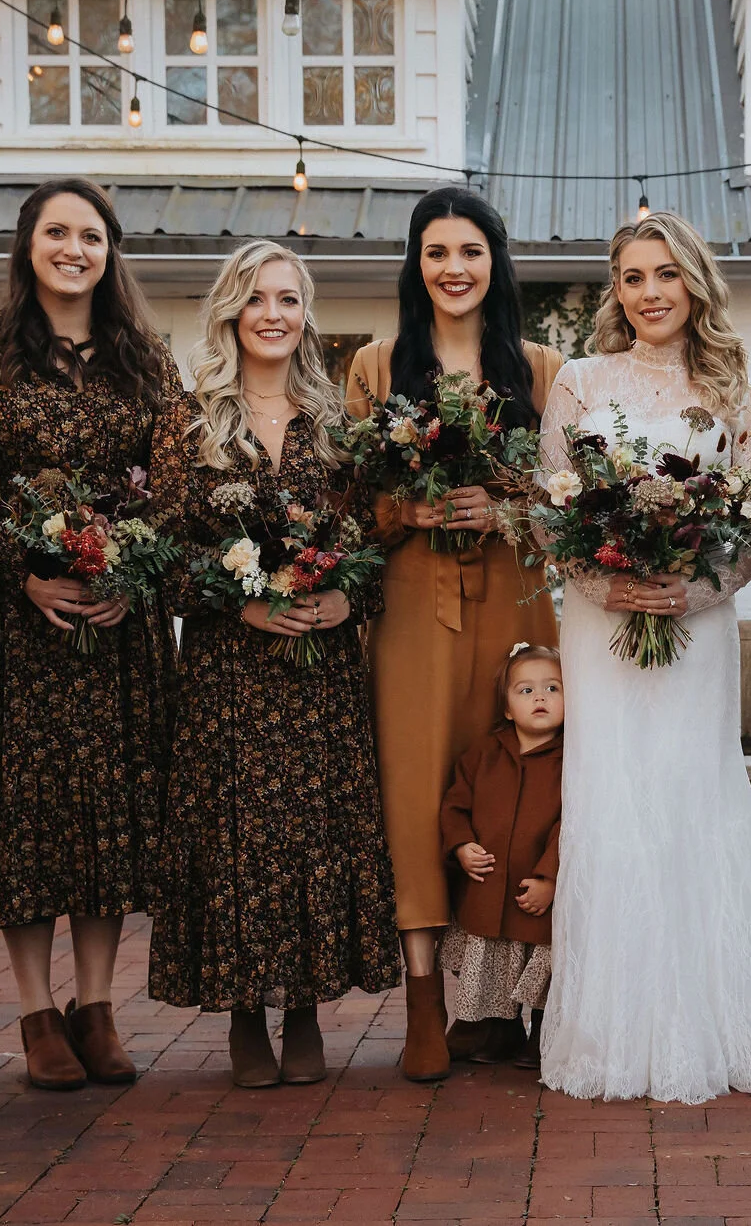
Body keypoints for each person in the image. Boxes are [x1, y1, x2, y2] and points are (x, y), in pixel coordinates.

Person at [536, 210, 751, 1103]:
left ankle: (721, 1017)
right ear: (616, 290)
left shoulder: (740, 394)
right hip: (604, 623)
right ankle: (612, 1028)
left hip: (695, 622)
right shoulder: (580, 383)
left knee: (693, 796)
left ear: (694, 281)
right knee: (611, 798)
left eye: (666, 274)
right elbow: (553, 508)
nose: (650, 292)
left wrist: (694, 591)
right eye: (633, 276)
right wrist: (607, 584)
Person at [0, 178, 182, 1090]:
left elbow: (174, 483)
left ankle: (97, 1006)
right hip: (19, 632)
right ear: (28, 245)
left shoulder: (144, 357)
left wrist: (131, 579)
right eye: (58, 232)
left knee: (107, 822)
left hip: (115, 632)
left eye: (93, 235)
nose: (75, 248)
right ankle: (36, 1010)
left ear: (112, 252)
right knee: (27, 826)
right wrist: (23, 572)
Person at [147, 239, 401, 1087]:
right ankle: (244, 1012)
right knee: (238, 840)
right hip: (228, 673)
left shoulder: (336, 429)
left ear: (306, 314)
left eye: (288, 299)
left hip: (320, 673)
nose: (273, 314)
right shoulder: (188, 425)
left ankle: (303, 1009)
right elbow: (165, 557)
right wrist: (240, 600)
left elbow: (371, 544)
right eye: (257, 298)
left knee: (311, 837)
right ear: (230, 310)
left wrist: (346, 600)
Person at [343, 187, 564, 1082]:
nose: (453, 269)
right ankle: (427, 996)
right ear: (415, 264)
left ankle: (512, 999)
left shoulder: (545, 369)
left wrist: (505, 504)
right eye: (436, 252)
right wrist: (408, 503)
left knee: (524, 779)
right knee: (417, 784)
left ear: (495, 263)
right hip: (411, 598)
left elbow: (571, 501)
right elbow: (347, 502)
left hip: (515, 595)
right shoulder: (375, 364)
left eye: (470, 251)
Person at [437, 642, 564, 1070]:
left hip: (538, 891)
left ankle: (543, 1032)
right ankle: (498, 1027)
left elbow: (575, 824)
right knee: (494, 960)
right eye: (525, 690)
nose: (540, 697)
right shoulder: (483, 755)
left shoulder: (575, 761)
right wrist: (461, 845)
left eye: (552, 687)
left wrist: (550, 877)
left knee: (542, 965)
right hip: (492, 888)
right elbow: (455, 806)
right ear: (507, 708)